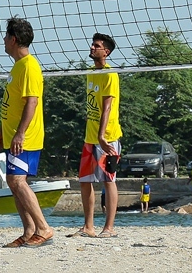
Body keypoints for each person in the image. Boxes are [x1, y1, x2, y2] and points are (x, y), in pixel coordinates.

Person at [0, 16, 54, 248]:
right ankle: (29, 231)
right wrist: (2, 131)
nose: (3, 39)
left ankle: (43, 228)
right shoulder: (18, 66)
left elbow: (31, 103)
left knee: (17, 181)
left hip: (26, 138)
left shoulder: (29, 66)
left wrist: (19, 134)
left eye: (6, 35)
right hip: (13, 136)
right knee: (13, 181)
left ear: (14, 39)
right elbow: (13, 105)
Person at [71, 32, 121, 239]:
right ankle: (88, 227)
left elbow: (107, 107)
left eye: (97, 46)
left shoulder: (110, 74)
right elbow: (94, 104)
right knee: (85, 180)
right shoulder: (91, 72)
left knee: (108, 180)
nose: (92, 48)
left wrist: (101, 136)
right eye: (92, 45)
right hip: (89, 137)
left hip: (107, 137)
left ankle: (109, 228)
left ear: (106, 52)